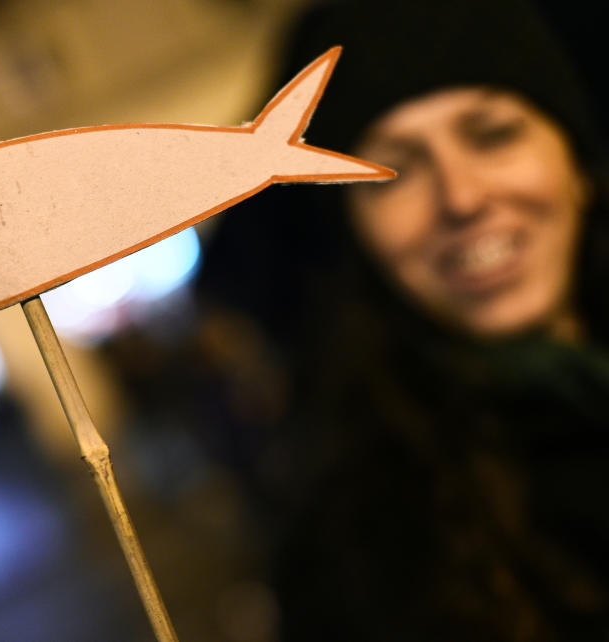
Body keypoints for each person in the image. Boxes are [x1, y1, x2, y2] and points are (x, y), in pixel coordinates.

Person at [188, 0, 609, 639]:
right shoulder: (356, 556)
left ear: (578, 165)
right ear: (356, 236)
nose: (462, 198)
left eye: (493, 133)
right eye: (392, 172)